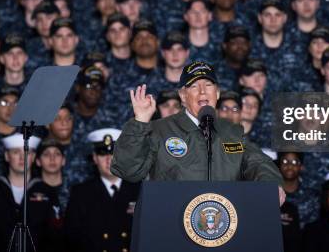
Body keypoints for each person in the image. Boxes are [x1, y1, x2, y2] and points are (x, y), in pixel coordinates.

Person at [110, 60, 285, 204]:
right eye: (194, 86)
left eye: (208, 85)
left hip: (223, 229)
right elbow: (127, 170)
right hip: (170, 227)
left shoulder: (232, 132)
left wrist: (271, 185)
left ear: (217, 94)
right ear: (183, 96)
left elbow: (257, 163)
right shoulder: (159, 130)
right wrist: (140, 121)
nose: (202, 91)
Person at [0, 133, 61, 252]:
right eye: (16, 152)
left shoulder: (47, 192)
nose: (22, 157)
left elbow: (55, 237)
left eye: (27, 152)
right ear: (7, 156)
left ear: (34, 157)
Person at [65, 128, 140, 252]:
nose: (108, 159)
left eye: (114, 153)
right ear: (94, 158)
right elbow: (72, 241)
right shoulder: (81, 194)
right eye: (102, 154)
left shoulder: (139, 191)